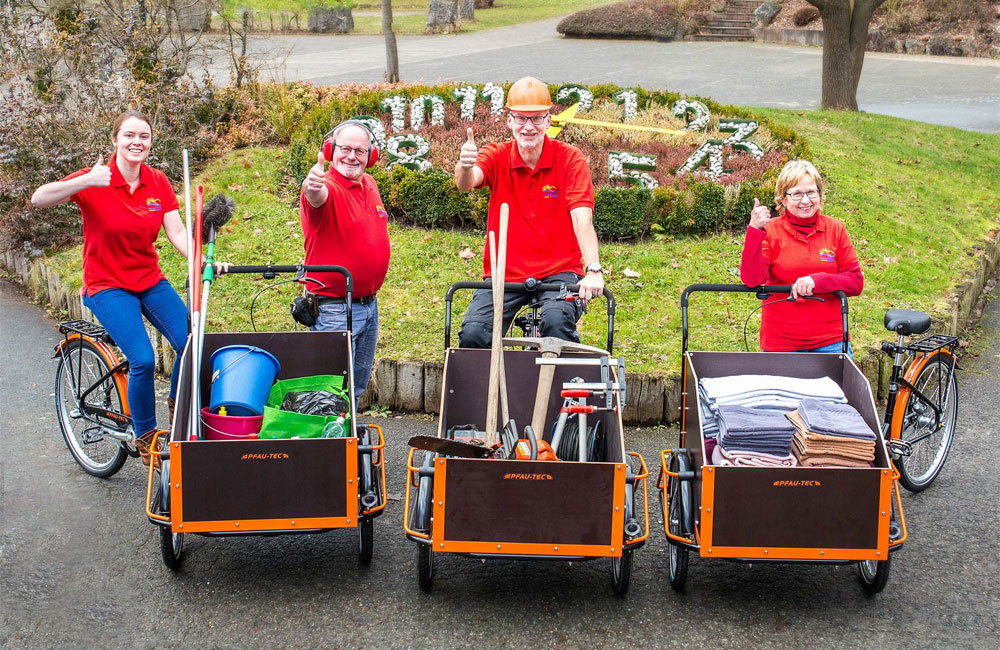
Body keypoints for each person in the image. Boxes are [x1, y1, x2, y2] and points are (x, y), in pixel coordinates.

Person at [31, 110, 207, 465]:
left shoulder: (157, 181)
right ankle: (146, 437)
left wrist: (200, 258)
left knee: (192, 343)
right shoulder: (96, 178)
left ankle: (178, 417)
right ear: (115, 140)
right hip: (107, 285)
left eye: (144, 136)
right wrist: (86, 180)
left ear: (151, 142)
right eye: (129, 135)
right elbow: (39, 198)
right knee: (143, 358)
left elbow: (176, 230)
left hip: (149, 279)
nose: (136, 142)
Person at [453, 75, 603, 348]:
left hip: (560, 271)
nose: (528, 127)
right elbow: (467, 182)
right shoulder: (496, 155)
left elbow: (582, 217)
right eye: (521, 118)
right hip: (505, 273)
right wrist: (464, 165)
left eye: (536, 118)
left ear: (548, 120)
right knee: (474, 334)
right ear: (509, 121)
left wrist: (593, 269)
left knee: (556, 322)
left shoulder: (570, 159)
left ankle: (561, 373)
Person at [300, 121, 390, 400]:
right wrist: (311, 186)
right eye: (345, 149)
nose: (352, 156)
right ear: (331, 150)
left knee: (355, 389)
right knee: (328, 391)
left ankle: (349, 426)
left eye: (359, 151)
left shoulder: (370, 184)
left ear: (370, 155)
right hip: (333, 309)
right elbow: (315, 196)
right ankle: (329, 429)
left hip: (368, 305)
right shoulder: (327, 186)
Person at [740, 159, 863, 356]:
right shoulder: (770, 231)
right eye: (797, 194)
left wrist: (817, 281)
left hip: (830, 341)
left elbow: (855, 282)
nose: (805, 201)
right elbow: (752, 279)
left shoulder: (835, 229)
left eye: (811, 192)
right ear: (783, 198)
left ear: (819, 194)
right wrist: (754, 230)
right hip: (782, 344)